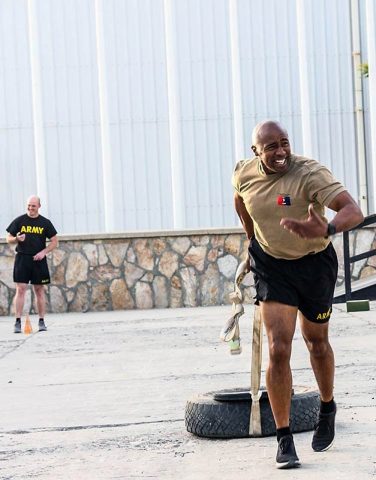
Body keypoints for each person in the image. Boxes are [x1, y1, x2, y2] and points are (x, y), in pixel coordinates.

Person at [232, 120, 364, 469]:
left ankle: (327, 405)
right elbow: (240, 200)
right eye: (271, 146)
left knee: (316, 342)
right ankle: (284, 438)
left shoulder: (309, 174)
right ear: (255, 152)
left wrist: (330, 227)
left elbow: (354, 210)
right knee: (279, 347)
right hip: (272, 267)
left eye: (285, 143)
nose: (280, 152)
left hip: (314, 264)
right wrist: (252, 238)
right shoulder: (244, 173)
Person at [6, 195, 58, 333]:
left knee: (39, 291)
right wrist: (16, 238)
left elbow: (54, 241)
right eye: (28, 205)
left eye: (33, 206)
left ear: (39, 206)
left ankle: (41, 321)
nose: (30, 208)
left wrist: (43, 252)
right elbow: (8, 238)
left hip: (38, 260)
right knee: (21, 289)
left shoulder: (45, 223)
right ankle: (17, 322)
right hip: (22, 259)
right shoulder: (20, 220)